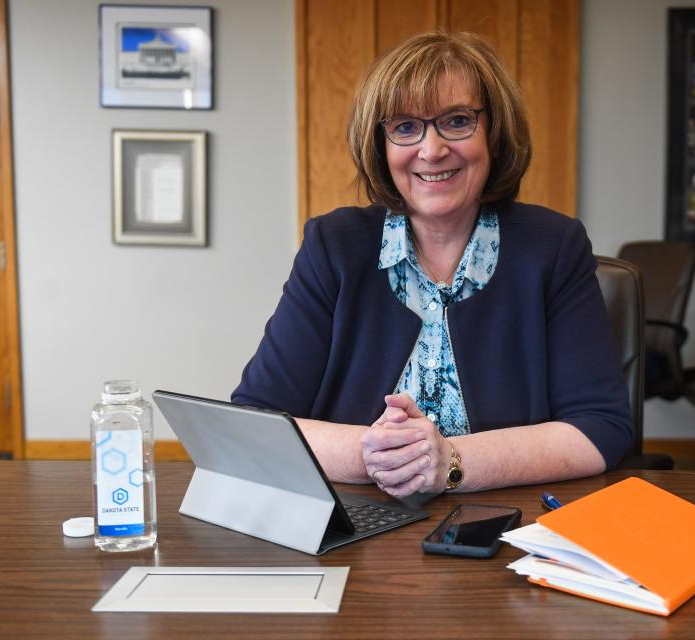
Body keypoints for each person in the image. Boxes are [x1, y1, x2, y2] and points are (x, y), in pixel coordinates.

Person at [232, 31, 632, 498]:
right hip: (353, 525)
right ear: (381, 144)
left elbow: (600, 428)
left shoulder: (553, 247)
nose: (432, 149)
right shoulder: (334, 245)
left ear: (494, 132)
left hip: (503, 525)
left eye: (457, 120)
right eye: (405, 127)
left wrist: (450, 462)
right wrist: (374, 452)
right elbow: (254, 419)